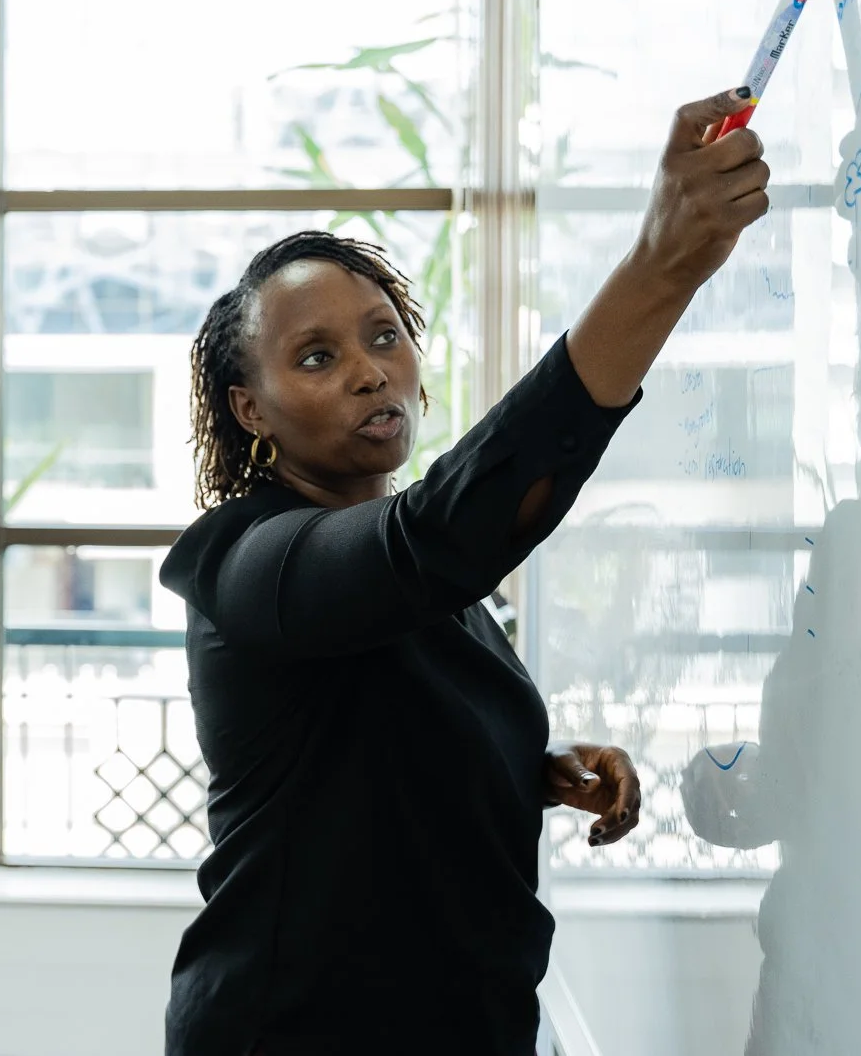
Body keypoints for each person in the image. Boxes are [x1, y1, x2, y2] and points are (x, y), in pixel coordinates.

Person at [159, 87, 774, 1055]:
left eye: (381, 335)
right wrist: (661, 265)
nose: (369, 371)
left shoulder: (427, 585)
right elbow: (439, 536)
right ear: (249, 409)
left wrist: (532, 771)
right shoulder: (246, 565)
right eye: (315, 356)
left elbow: (375, 736)